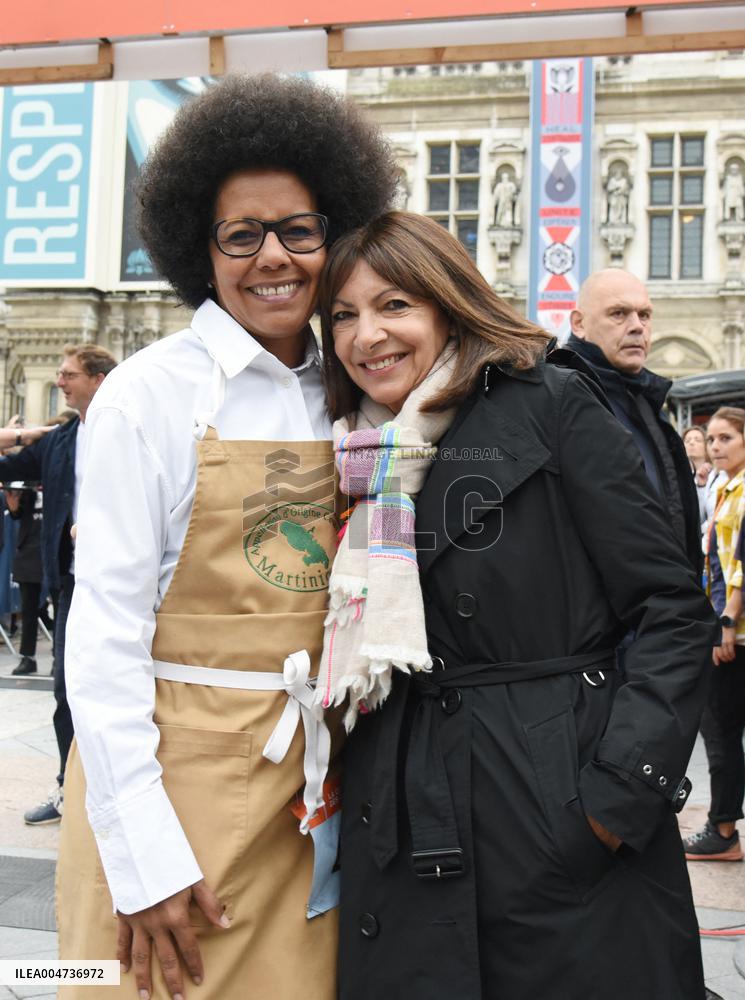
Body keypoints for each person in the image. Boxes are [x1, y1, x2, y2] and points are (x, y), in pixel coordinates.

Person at [317, 211, 716, 1000]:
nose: (366, 336)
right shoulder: (350, 449)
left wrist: (616, 795)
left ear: (447, 304)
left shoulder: (552, 402)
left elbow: (669, 607)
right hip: (400, 813)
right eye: (342, 315)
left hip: (555, 811)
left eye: (393, 305)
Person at [58, 74, 397, 1000]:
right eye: (241, 235)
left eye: (297, 229)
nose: (272, 256)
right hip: (170, 789)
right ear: (198, 251)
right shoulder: (148, 395)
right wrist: (144, 858)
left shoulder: (358, 388)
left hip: (308, 795)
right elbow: (103, 637)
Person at [0, 344, 116, 823]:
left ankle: (117, 791)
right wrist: (21, 434)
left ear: (99, 379)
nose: (60, 382)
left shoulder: (131, 428)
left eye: (69, 374)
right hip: (71, 583)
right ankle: (71, 788)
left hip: (127, 583)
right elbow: (7, 468)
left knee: (122, 689)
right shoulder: (62, 439)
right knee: (66, 689)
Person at [567, 269, 702, 574]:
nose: (637, 327)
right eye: (618, 314)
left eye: (645, 315)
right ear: (579, 324)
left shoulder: (645, 400)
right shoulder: (563, 398)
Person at [683, 408, 745, 863]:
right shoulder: (724, 486)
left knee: (720, 729)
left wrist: (727, 622)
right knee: (722, 728)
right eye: (712, 439)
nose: (716, 446)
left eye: (727, 438)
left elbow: (740, 566)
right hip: (726, 624)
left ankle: (722, 831)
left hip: (734, 632)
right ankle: (723, 826)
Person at [4, 482, 44, 675]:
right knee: (28, 609)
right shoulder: (27, 484)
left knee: (62, 606)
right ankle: (28, 657)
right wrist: (13, 505)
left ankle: (60, 657)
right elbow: (17, 513)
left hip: (55, 549)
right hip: (28, 551)